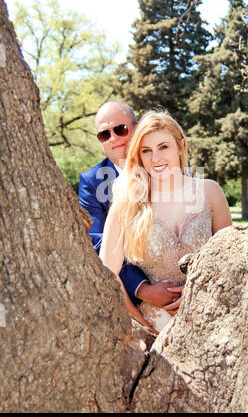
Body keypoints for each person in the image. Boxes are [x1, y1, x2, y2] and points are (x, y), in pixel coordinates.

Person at [100, 110, 232, 335]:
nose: (156, 159)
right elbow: (106, 274)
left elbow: (230, 260)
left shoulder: (209, 192)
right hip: (156, 332)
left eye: (164, 147)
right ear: (139, 156)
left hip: (214, 321)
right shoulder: (128, 202)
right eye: (146, 151)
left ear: (180, 145)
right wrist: (141, 326)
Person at [79, 101, 182, 310]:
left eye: (120, 129)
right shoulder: (92, 181)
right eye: (104, 134)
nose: (113, 138)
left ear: (137, 128)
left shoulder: (170, 166)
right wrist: (143, 288)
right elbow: (97, 242)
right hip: (131, 296)